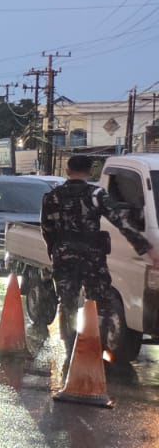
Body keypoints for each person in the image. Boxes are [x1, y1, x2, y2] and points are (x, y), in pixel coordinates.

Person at [40, 154, 158, 360]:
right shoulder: (96, 195)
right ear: (90, 172)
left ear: (67, 171)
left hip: (64, 256)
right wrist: (146, 248)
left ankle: (70, 350)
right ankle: (97, 346)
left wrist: (55, 249)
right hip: (92, 257)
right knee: (100, 302)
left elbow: (46, 227)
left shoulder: (53, 196)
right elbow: (121, 222)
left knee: (67, 302)